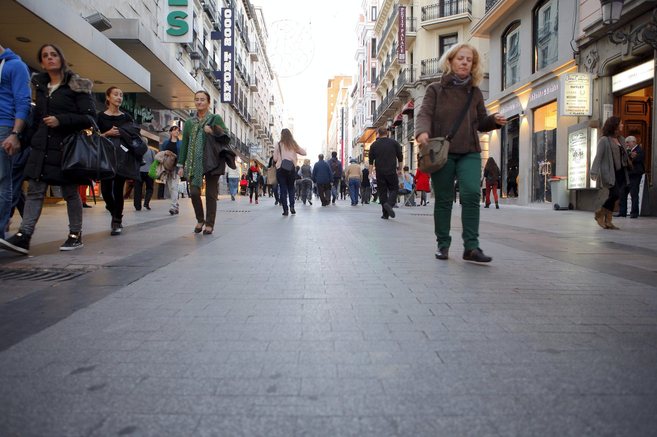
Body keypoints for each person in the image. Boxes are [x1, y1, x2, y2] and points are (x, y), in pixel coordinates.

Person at [0, 44, 96, 255]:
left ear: (61, 58)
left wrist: (61, 120)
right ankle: (24, 237)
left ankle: (75, 235)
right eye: (45, 56)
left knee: (70, 192)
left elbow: (89, 118)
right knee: (35, 191)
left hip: (66, 147)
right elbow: (36, 120)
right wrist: (20, 140)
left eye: (54, 54)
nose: (50, 58)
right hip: (42, 147)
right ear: (42, 62)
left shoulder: (77, 84)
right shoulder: (41, 86)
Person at [415, 43, 506, 262]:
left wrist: (493, 121)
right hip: (443, 152)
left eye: (469, 60)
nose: (465, 62)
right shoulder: (435, 90)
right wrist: (422, 132)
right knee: (444, 199)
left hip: (469, 150)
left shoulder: (474, 93)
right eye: (461, 58)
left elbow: (480, 122)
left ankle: (471, 247)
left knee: (472, 194)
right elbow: (424, 114)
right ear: (450, 61)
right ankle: (443, 244)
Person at [178, 90, 228, 235]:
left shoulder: (215, 119)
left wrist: (212, 131)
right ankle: (200, 219)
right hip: (194, 162)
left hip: (213, 161)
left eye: (202, 99)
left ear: (208, 103)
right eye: (197, 99)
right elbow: (185, 144)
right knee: (194, 192)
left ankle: (209, 224)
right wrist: (181, 165)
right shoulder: (189, 123)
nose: (199, 102)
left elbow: (226, 136)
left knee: (211, 195)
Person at [98, 86, 143, 235]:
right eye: (116, 95)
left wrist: (123, 134)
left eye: (121, 95)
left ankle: (117, 220)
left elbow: (134, 136)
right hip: (105, 156)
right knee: (105, 190)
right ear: (108, 97)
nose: (119, 98)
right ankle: (114, 212)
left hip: (122, 157)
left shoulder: (126, 117)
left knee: (118, 188)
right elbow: (93, 137)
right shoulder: (100, 117)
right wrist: (107, 133)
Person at [0, 44, 31, 240]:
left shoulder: (15, 65)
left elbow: (23, 100)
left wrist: (15, 133)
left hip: (4, 126)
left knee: (3, 179)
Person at [590, 116, 629, 230]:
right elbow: (598, 157)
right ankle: (599, 214)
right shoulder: (604, 140)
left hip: (622, 171)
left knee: (615, 196)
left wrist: (629, 156)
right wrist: (594, 172)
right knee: (615, 194)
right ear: (614, 126)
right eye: (620, 124)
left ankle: (608, 221)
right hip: (610, 172)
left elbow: (623, 155)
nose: (622, 125)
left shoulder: (621, 139)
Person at [369, 127, 403, 219]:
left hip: (380, 172)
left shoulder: (374, 145)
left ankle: (385, 214)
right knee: (394, 189)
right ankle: (389, 204)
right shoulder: (394, 143)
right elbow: (400, 158)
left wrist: (370, 173)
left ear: (378, 134)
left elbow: (371, 161)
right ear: (387, 133)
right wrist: (400, 169)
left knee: (382, 192)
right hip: (391, 171)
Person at [273, 128, 306, 216]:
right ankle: (292, 206)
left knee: (283, 189)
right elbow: (304, 152)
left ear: (281, 135)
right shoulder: (293, 144)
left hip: (281, 169)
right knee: (291, 188)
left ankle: (285, 210)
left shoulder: (278, 144)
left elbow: (275, 159)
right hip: (291, 169)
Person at [617, 135, 644, 218]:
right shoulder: (627, 151)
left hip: (635, 175)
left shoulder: (639, 150)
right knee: (622, 193)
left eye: (628, 142)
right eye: (626, 143)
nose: (626, 144)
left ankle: (634, 213)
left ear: (634, 142)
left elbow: (638, 159)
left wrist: (631, 156)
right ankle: (622, 212)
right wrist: (629, 155)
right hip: (626, 175)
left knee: (634, 194)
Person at [161, 125, 181, 214]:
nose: (177, 132)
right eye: (175, 130)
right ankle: (176, 204)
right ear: (171, 132)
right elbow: (161, 153)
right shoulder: (165, 143)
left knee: (174, 186)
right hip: (167, 167)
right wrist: (165, 152)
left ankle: (173, 206)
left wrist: (182, 167)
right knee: (170, 187)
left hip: (176, 167)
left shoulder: (181, 143)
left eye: (178, 130)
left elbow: (182, 155)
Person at [134, 143, 156, 211]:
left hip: (139, 172)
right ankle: (146, 203)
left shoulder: (137, 150)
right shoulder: (151, 151)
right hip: (149, 172)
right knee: (149, 188)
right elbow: (154, 161)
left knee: (138, 189)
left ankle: (137, 206)